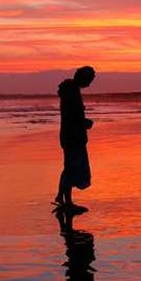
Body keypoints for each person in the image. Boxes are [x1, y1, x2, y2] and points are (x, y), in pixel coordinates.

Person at [55, 66, 96, 211]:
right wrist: (85, 123)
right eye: (89, 80)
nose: (89, 84)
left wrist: (83, 122)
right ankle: (67, 202)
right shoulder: (72, 92)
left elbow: (73, 115)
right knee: (71, 168)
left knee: (69, 167)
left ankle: (62, 197)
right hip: (73, 136)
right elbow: (74, 116)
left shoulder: (71, 90)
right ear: (82, 77)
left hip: (70, 135)